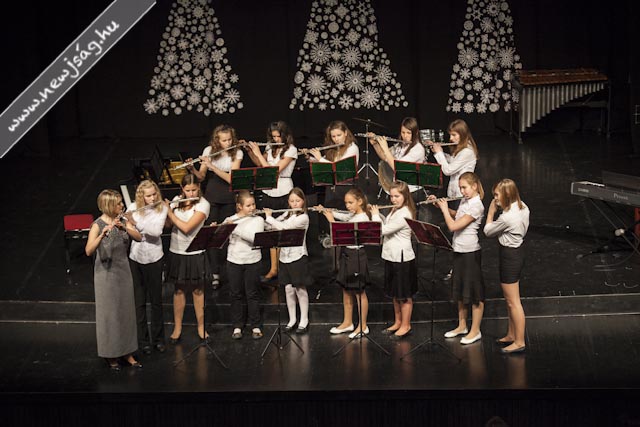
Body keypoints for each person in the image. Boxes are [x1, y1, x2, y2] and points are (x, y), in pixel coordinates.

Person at [85, 189, 142, 371]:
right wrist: (102, 235)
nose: (122, 205)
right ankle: (111, 353)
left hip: (123, 271)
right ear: (109, 205)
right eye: (118, 203)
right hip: (106, 275)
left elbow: (139, 237)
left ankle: (127, 351)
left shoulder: (123, 220)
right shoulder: (97, 225)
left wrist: (125, 227)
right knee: (110, 314)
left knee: (126, 312)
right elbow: (88, 250)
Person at [431, 172, 485, 345]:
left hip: (470, 253)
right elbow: (457, 215)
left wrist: (444, 210)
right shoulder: (466, 200)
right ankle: (462, 326)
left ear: (474, 186)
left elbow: (453, 226)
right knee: (460, 290)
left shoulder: (477, 205)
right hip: (459, 250)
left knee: (474, 293)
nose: (462, 191)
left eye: (464, 187)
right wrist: (440, 206)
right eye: (460, 188)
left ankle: (475, 330)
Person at [188, 125, 243, 290]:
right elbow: (201, 176)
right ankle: (215, 273)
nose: (228, 143)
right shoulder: (209, 150)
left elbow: (232, 179)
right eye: (224, 140)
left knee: (226, 234)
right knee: (212, 234)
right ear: (217, 140)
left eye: (229, 139)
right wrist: (192, 169)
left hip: (228, 197)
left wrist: (212, 166)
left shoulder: (237, 152)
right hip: (212, 196)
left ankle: (229, 272)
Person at [245, 121, 298, 283]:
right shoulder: (270, 147)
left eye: (278, 136)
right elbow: (260, 164)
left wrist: (258, 152)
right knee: (271, 230)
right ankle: (274, 269)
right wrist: (250, 152)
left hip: (284, 191)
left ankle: (284, 268)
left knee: (283, 230)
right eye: (273, 136)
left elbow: (274, 171)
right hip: (269, 191)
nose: (275, 139)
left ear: (285, 135)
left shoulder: (291, 149)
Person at [318, 187, 371, 339]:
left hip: (356, 256)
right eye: (346, 203)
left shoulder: (362, 218)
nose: (347, 206)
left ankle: (363, 326)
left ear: (360, 201)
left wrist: (331, 220)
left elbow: (341, 233)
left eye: (350, 202)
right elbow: (343, 215)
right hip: (347, 254)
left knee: (359, 291)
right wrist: (324, 210)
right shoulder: (354, 214)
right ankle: (348, 322)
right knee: (346, 289)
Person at [484, 179, 530, 354]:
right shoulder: (522, 206)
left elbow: (488, 231)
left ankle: (519, 341)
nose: (495, 199)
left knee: (513, 302)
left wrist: (490, 212)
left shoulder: (507, 217)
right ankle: (512, 334)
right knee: (510, 302)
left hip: (509, 257)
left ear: (507, 195)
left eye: (497, 195)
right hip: (517, 253)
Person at [165, 174, 210, 343]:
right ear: (182, 189)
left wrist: (169, 211)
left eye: (194, 190)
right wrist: (165, 213)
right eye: (188, 190)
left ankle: (201, 327)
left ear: (199, 188)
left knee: (198, 290)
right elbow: (169, 225)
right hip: (177, 251)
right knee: (179, 290)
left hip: (195, 252)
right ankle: (177, 328)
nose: (191, 194)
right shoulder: (177, 200)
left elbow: (187, 228)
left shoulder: (203, 204)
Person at [125, 180, 168, 355]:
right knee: (139, 301)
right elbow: (131, 230)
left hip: (154, 258)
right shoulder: (133, 207)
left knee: (156, 301)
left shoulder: (162, 208)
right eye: (148, 196)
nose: (152, 198)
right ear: (141, 197)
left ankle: (158, 339)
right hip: (136, 258)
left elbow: (156, 232)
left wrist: (135, 222)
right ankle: (143, 341)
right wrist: (130, 223)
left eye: (154, 194)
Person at [371, 181, 417, 339]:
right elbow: (386, 224)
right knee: (395, 294)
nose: (393, 199)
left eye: (397, 196)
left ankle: (406, 325)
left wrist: (375, 215)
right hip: (391, 256)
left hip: (402, 258)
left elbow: (382, 230)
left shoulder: (405, 213)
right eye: (391, 196)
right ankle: (398, 322)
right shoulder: (395, 210)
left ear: (405, 196)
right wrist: (376, 214)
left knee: (404, 294)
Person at [263, 188, 311, 334]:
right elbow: (271, 226)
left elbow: (285, 228)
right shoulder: (287, 214)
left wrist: (269, 217)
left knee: (300, 289)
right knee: (288, 289)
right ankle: (292, 319)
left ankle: (304, 320)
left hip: (298, 256)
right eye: (292, 201)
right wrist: (263, 219)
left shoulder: (303, 218)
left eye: (298, 201)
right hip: (284, 256)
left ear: (303, 201)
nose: (295, 204)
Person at [224, 190, 265, 340]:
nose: (252, 208)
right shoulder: (230, 219)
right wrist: (221, 229)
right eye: (248, 205)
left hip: (252, 260)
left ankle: (255, 325)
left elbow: (254, 238)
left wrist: (234, 228)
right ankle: (237, 326)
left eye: (253, 204)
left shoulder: (258, 220)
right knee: (235, 294)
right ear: (239, 206)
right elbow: (222, 239)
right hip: (234, 260)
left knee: (252, 294)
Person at [369, 117, 426, 203]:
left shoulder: (418, 149)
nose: (405, 136)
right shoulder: (401, 145)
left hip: (412, 192)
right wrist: (375, 144)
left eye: (408, 133)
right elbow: (385, 157)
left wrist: (385, 147)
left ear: (415, 133)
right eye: (403, 132)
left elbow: (398, 168)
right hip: (399, 189)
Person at [307, 120, 359, 208]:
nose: (336, 139)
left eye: (339, 135)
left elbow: (337, 167)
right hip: (331, 188)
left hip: (346, 188)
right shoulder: (335, 148)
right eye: (333, 136)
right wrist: (310, 157)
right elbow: (325, 162)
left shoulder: (352, 148)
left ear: (345, 133)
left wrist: (319, 158)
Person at [430, 119, 478, 211]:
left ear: (463, 134)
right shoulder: (462, 148)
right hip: (455, 193)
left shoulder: (467, 151)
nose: (451, 138)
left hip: (462, 194)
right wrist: (437, 151)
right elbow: (453, 161)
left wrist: (439, 153)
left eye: (454, 135)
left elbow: (448, 170)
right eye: (450, 135)